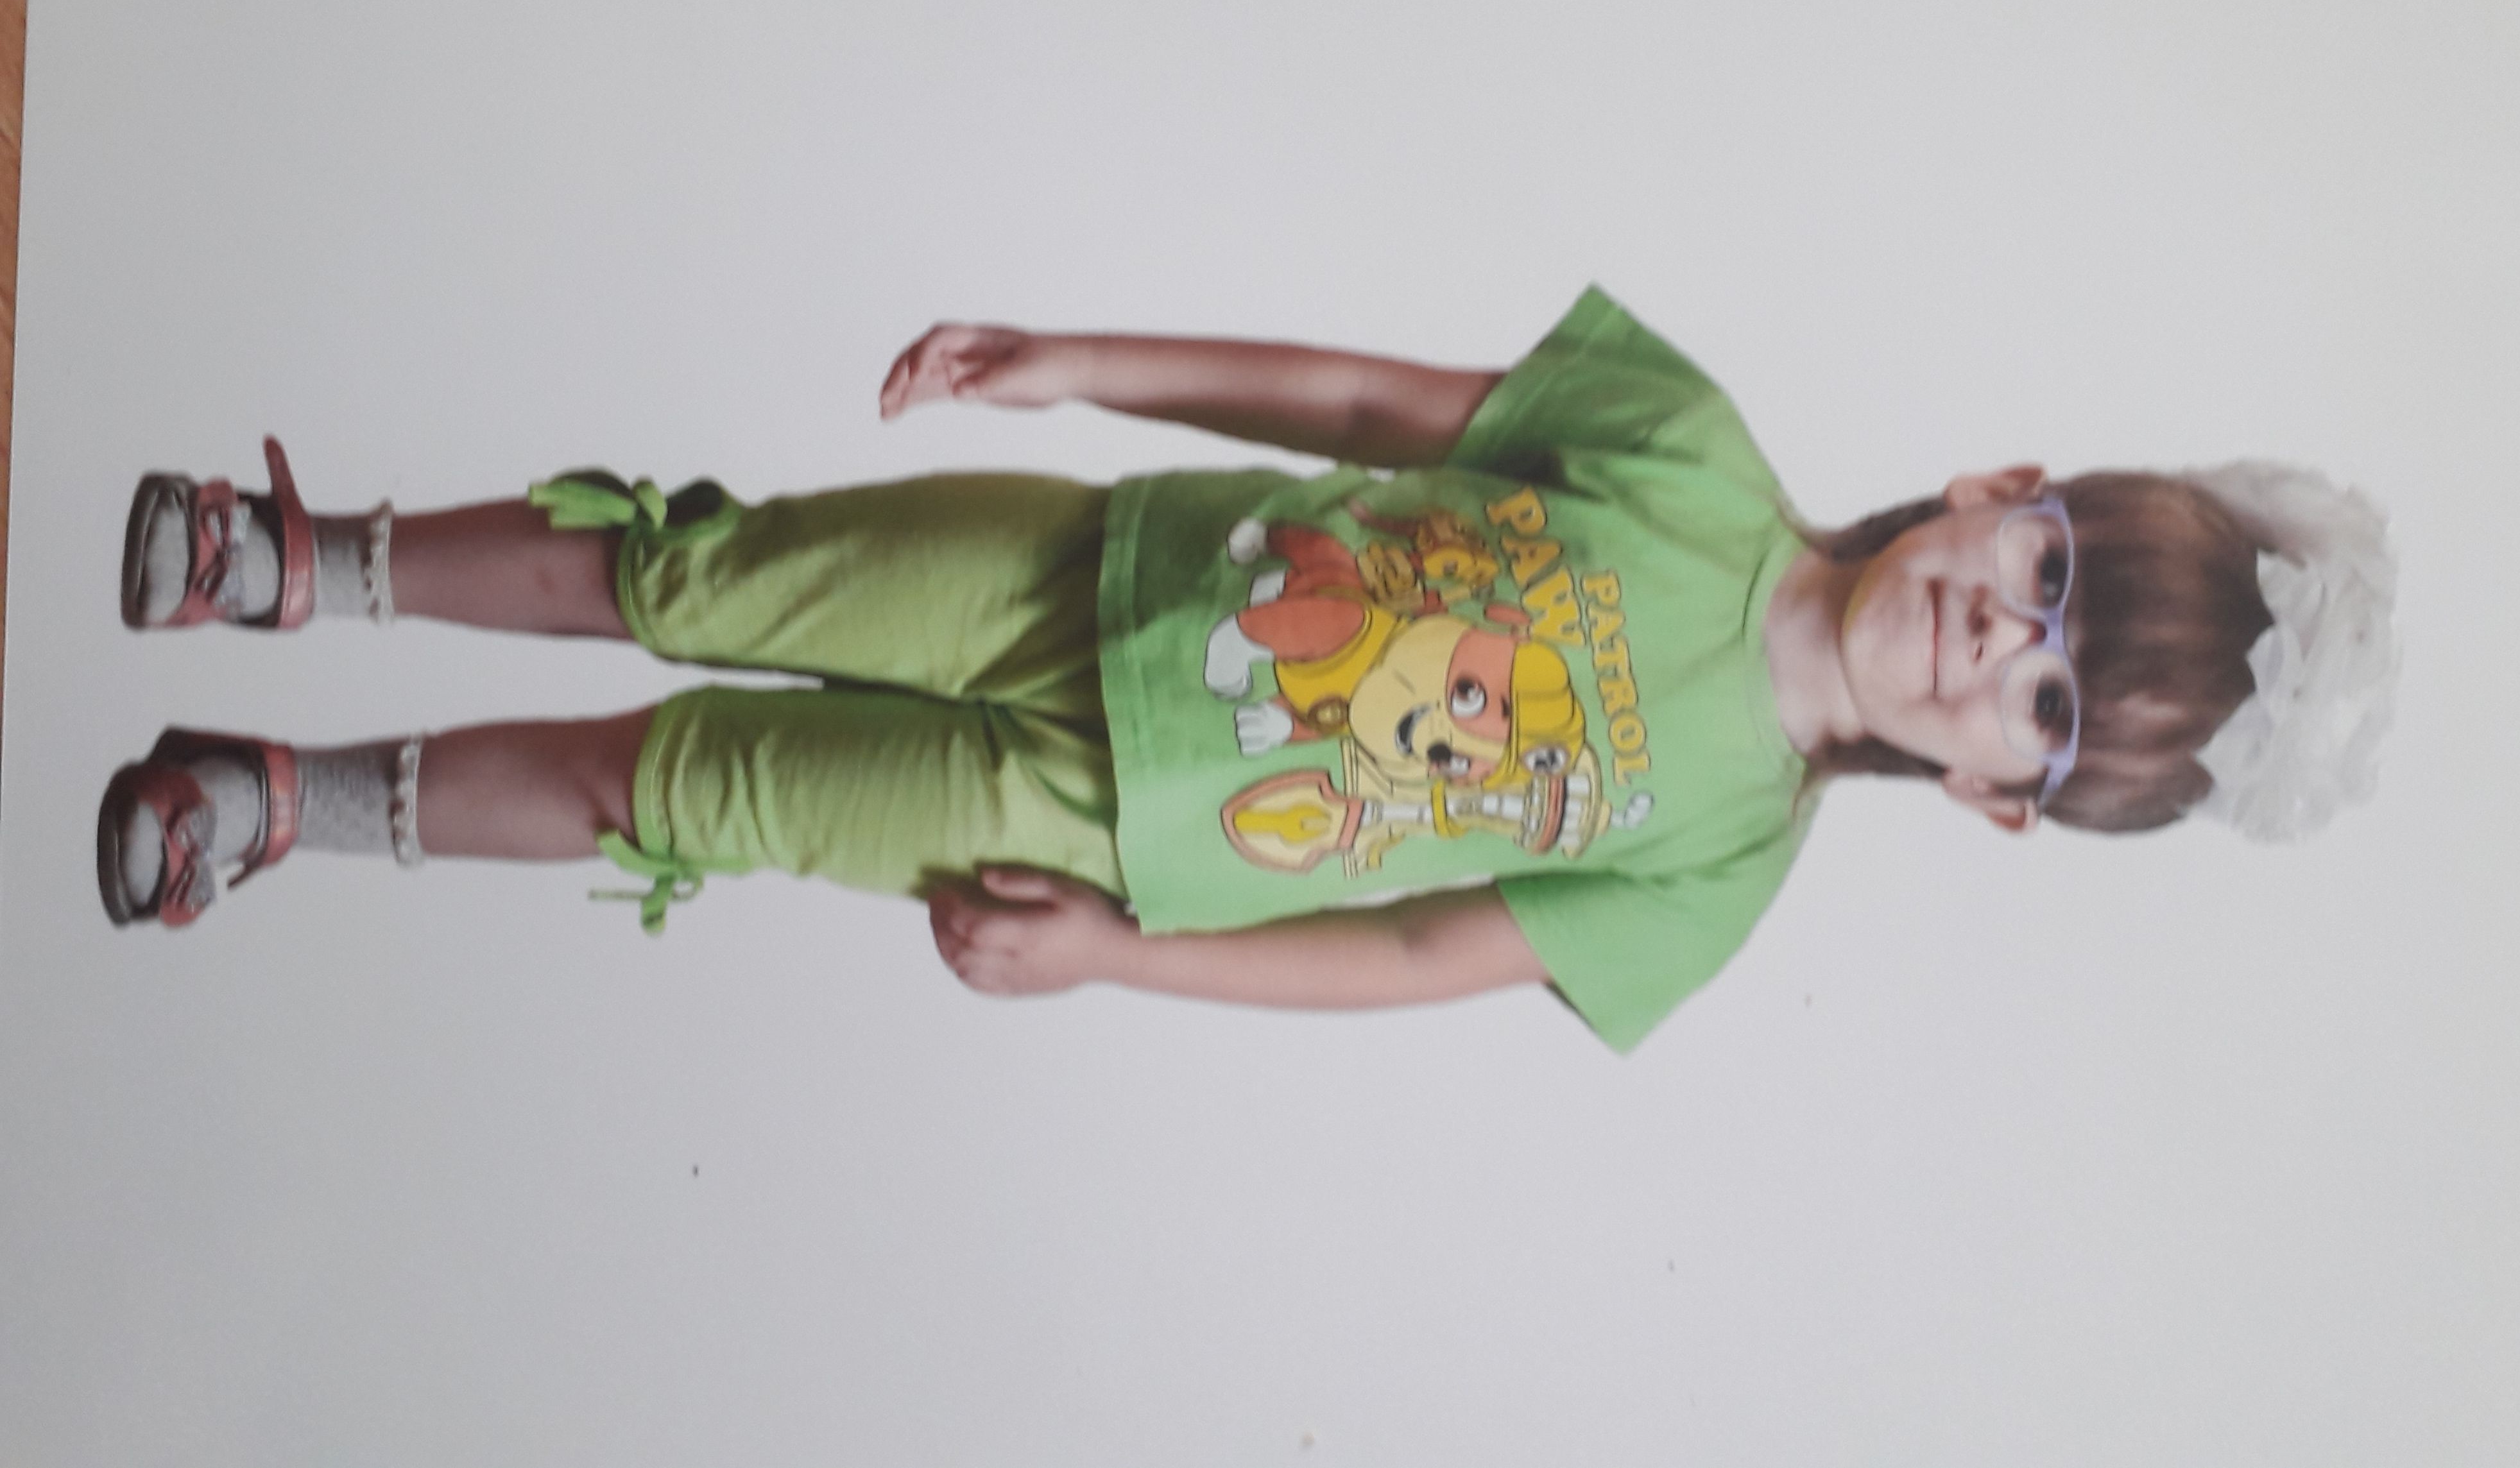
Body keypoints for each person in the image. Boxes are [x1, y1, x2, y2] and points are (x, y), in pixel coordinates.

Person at [96, 287, 2399, 1052]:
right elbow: (1379, 406)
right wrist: (1081, 361)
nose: (2003, 636)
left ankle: (293, 803)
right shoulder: (1693, 449)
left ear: (2000, 794)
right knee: (702, 579)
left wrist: (1117, 950)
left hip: (1101, 830)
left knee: (686, 788)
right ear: (2005, 487)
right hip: (1074, 575)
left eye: (2048, 705)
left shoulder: (1713, 873)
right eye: (2051, 572)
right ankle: (303, 560)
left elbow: (1403, 950)